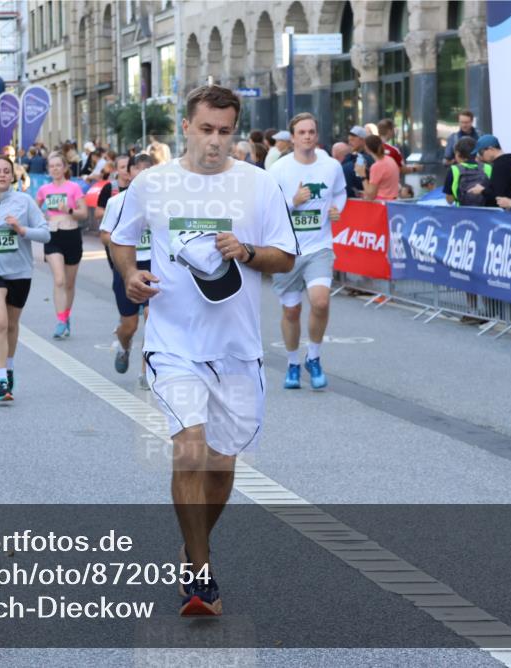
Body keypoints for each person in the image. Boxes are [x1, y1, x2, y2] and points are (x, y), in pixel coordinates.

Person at [110, 85, 298, 616]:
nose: (214, 142)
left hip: (237, 349)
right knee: (189, 446)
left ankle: (195, 547)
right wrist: (130, 274)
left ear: (234, 131)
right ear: (186, 127)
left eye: (225, 131)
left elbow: (285, 258)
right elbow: (118, 235)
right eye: (206, 129)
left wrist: (250, 251)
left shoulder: (258, 185)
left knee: (221, 463)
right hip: (174, 343)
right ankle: (199, 572)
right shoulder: (153, 183)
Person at [269, 112, 346, 390]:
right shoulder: (279, 169)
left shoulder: (331, 166)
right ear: (293, 138)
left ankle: (313, 357)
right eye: (301, 132)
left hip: (319, 246)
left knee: (321, 301)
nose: (307, 136)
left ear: (317, 135)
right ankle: (292, 363)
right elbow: (268, 208)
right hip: (287, 250)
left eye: (311, 131)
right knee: (291, 311)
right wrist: (293, 201)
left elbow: (340, 192)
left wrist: (338, 209)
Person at [0, 155, 51, 401]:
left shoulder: (25, 202)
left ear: (12, 175)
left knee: (12, 325)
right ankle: (1, 380)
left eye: (6, 171)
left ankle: (10, 366)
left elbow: (45, 234)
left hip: (20, 272)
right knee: (0, 321)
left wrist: (22, 230)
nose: (2, 175)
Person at [98, 152, 156, 388]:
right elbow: (104, 234)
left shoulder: (163, 202)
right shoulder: (117, 202)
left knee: (152, 318)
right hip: (127, 265)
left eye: (148, 171)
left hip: (154, 265)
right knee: (129, 325)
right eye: (138, 170)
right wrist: (120, 243)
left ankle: (147, 371)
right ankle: (124, 344)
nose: (142, 175)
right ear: (129, 173)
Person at [35, 151, 88, 339]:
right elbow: (34, 210)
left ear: (65, 168)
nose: (55, 169)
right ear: (48, 170)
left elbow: (84, 214)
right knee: (59, 280)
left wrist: (70, 210)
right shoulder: (44, 189)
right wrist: (42, 217)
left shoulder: (73, 188)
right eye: (52, 166)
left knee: (69, 283)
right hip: (53, 236)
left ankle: (66, 316)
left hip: (72, 235)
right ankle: (60, 320)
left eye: (59, 165)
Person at [472, 134, 511, 206]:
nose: (480, 157)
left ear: (491, 149)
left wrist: (482, 190)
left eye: (480, 153)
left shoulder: (500, 165)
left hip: (503, 213)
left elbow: (498, 195)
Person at [443, 137, 492, 207]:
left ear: (457, 153)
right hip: (485, 213)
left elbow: (449, 200)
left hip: (462, 213)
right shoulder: (488, 168)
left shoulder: (454, 169)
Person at [359, 135, 400, 200]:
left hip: (382, 204)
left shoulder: (377, 166)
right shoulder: (391, 159)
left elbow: (371, 195)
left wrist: (362, 175)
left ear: (367, 148)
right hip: (393, 202)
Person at [95, 154, 130, 222]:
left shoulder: (136, 186)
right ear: (116, 170)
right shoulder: (109, 187)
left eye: (128, 166)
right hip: (114, 230)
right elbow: (98, 213)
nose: (126, 170)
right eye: (122, 167)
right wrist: (116, 212)